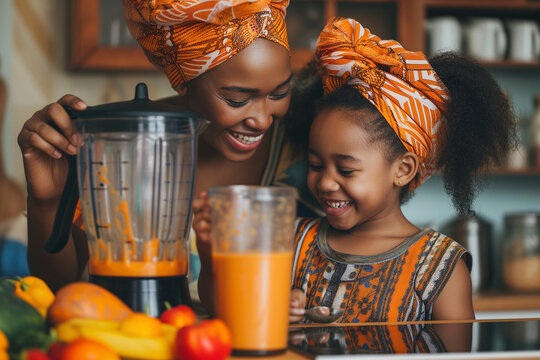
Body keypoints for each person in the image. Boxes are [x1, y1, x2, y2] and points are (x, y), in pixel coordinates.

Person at [193, 17, 515, 321]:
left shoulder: (439, 267)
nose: (326, 182)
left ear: (403, 169)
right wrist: (211, 258)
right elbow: (228, 307)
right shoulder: (291, 240)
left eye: (346, 170)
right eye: (316, 165)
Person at [17, 0, 320, 293]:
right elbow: (64, 290)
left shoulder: (310, 149)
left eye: (279, 93)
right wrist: (47, 203)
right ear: (183, 82)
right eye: (238, 100)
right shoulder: (117, 144)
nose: (263, 120)